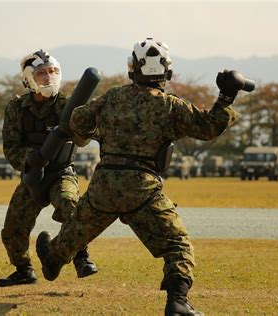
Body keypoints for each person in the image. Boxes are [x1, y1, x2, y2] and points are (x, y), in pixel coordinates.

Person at [35, 38, 242, 315]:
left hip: (104, 187)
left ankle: (51, 260)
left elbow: (78, 121)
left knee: (71, 236)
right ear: (166, 72)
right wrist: (226, 97)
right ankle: (177, 302)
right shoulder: (170, 106)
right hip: (142, 190)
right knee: (177, 246)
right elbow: (208, 128)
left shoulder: (113, 96)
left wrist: (96, 134)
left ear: (133, 70)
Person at [0, 50, 98, 287]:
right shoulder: (16, 108)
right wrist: (34, 158)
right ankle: (24, 271)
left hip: (63, 172)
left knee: (70, 206)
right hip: (32, 176)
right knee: (13, 229)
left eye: (52, 72)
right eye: (42, 73)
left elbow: (84, 140)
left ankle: (81, 257)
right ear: (28, 78)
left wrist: (81, 125)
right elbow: (11, 149)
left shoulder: (69, 104)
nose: (48, 77)